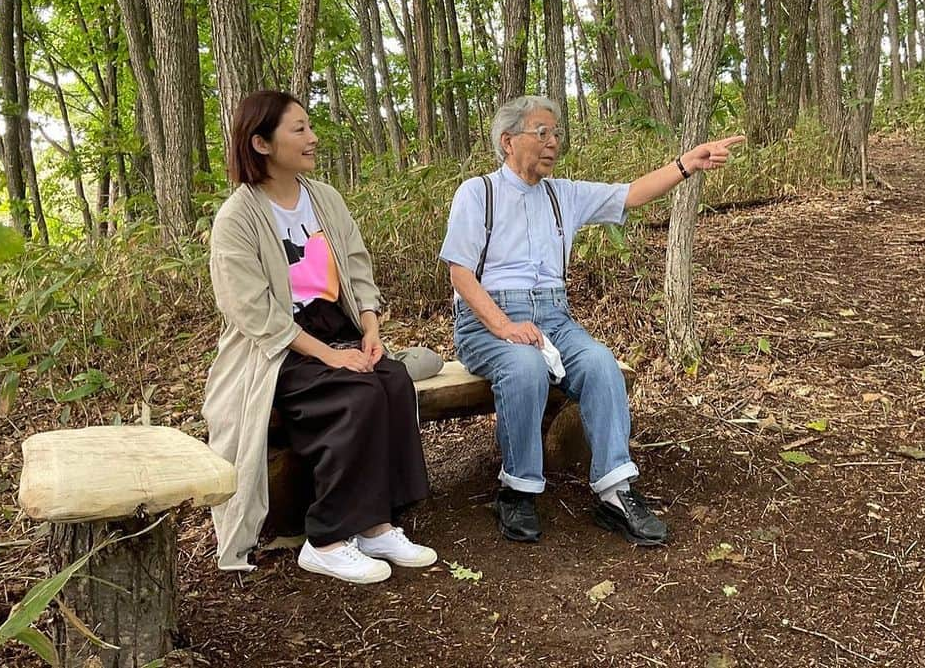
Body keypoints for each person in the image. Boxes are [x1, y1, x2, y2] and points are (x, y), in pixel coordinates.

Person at [440, 95, 745, 546]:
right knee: (523, 368)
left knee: (602, 365)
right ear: (508, 141)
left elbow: (632, 193)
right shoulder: (477, 193)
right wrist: (504, 326)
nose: (552, 143)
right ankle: (517, 489)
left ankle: (614, 493)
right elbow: (459, 272)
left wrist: (687, 163)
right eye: (541, 133)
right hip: (488, 320)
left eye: (556, 134)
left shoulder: (563, 195)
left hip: (553, 318)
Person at [204, 90, 441, 582]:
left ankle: (375, 524)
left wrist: (370, 329)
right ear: (262, 144)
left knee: (392, 380)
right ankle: (327, 538)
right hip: (276, 350)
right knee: (353, 394)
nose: (313, 139)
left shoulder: (324, 199)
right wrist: (330, 359)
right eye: (299, 130)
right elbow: (253, 313)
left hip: (338, 325)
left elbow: (356, 267)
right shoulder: (237, 218)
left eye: (310, 127)